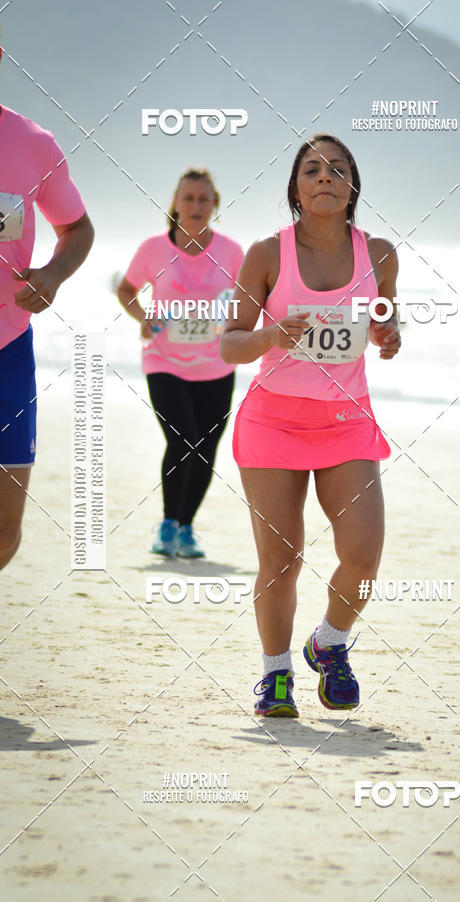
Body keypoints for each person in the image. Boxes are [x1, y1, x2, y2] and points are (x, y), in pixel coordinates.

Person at [221, 133, 401, 717]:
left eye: (338, 169)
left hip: (346, 420)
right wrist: (271, 336)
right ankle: (275, 677)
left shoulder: (379, 253)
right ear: (295, 189)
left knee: (365, 555)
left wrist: (389, 334)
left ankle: (329, 643)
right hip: (273, 421)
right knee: (282, 559)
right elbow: (229, 345)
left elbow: (383, 317)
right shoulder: (267, 254)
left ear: (353, 187)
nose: (325, 177)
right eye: (312, 170)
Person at [0, 45, 94, 570]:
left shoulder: (32, 144)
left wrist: (53, 275)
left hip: (7, 348)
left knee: (5, 534)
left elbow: (77, 228)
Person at [117, 168, 243, 558]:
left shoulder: (232, 252)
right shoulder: (154, 249)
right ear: (175, 203)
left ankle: (187, 528)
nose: (196, 205)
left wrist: (233, 320)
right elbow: (126, 289)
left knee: (206, 447)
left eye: (204, 199)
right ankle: (168, 524)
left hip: (216, 365)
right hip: (164, 361)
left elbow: (250, 299)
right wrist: (144, 319)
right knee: (183, 437)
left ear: (215, 205)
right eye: (188, 198)